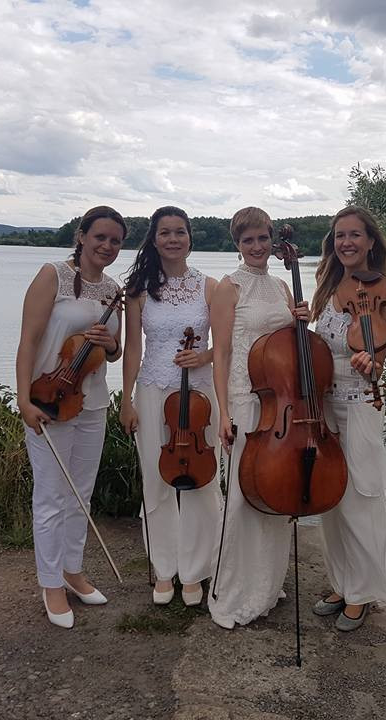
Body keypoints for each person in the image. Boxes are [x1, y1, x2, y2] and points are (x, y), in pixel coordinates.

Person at [16, 205, 125, 629]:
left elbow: (112, 353)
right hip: (48, 397)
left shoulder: (113, 288)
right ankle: (51, 584)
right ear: (81, 235)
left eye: (115, 241)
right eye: (100, 237)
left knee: (81, 490)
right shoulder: (53, 275)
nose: (107, 246)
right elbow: (27, 341)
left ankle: (73, 570)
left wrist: (109, 341)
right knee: (49, 495)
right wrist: (23, 399)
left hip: (91, 401)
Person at [207, 206, 309, 629]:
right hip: (244, 400)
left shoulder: (283, 285)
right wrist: (224, 413)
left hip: (278, 401)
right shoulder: (229, 289)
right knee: (246, 496)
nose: (256, 247)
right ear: (237, 244)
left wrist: (304, 320)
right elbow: (222, 354)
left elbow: (290, 345)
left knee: (276, 491)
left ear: (272, 240)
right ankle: (236, 588)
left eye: (262, 238)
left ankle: (267, 585)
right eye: (247, 240)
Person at [119, 206, 221, 607]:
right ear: (154, 239)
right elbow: (132, 350)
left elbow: (225, 346)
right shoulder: (139, 289)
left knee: (201, 483)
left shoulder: (210, 286)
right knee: (156, 482)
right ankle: (164, 569)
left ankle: (195, 571)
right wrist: (126, 399)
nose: (173, 239)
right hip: (151, 389)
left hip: (199, 397)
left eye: (180, 232)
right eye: (165, 232)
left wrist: (205, 357)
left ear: (191, 238)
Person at [309, 206, 386, 631]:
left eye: (355, 235)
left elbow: (380, 361)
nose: (346, 242)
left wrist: (371, 363)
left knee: (360, 498)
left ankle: (363, 591)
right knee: (329, 496)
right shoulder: (326, 287)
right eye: (339, 235)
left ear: (370, 242)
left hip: (360, 402)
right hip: (320, 404)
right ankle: (341, 582)